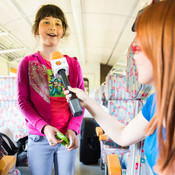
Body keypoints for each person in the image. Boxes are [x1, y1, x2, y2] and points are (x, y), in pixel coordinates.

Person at [65, 1, 175, 175]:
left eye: (139, 44)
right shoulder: (156, 102)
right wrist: (87, 101)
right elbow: (123, 136)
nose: (132, 50)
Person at [17, 4, 85, 175]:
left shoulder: (73, 65)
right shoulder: (27, 64)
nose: (53, 27)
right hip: (39, 137)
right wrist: (44, 127)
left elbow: (81, 102)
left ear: (63, 31)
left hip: (67, 136)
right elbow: (23, 102)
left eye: (58, 23)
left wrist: (73, 129)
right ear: (37, 29)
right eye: (46, 22)